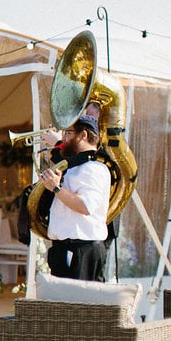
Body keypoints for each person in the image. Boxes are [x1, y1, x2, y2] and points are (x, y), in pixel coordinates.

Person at [39, 113, 111, 281]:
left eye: (68, 133)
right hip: (68, 249)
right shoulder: (76, 166)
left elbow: (85, 206)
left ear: (83, 135)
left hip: (81, 251)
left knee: (80, 305)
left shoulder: (93, 168)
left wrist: (56, 188)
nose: (64, 138)